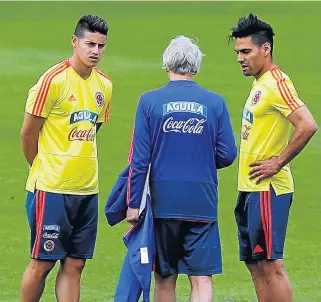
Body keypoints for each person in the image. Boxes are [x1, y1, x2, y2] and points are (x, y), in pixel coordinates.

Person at [126, 36, 237, 302]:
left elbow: (140, 159)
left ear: (166, 65)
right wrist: (201, 160)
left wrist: (133, 203)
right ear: (196, 67)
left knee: (165, 276)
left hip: (164, 203)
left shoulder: (149, 101)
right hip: (202, 200)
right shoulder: (215, 102)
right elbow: (228, 154)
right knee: (201, 278)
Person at [20, 15, 112, 302]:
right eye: (90, 44)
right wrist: (44, 168)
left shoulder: (105, 86)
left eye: (101, 46)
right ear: (75, 42)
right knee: (43, 262)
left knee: (76, 263)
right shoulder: (53, 81)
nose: (95, 51)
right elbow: (27, 135)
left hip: (87, 189)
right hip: (52, 189)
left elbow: (92, 131)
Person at [229, 13, 318, 302]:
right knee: (255, 264)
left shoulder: (277, 82)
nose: (241, 58)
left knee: (270, 264)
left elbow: (308, 124)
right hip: (249, 188)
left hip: (269, 189)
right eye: (238, 53)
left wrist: (278, 161)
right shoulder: (259, 83)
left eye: (246, 51)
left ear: (265, 49)